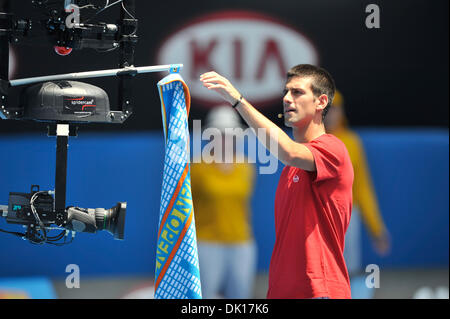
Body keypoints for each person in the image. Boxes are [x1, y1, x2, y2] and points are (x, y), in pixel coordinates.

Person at [200, 64, 354, 299]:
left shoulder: (334, 148)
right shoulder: (290, 169)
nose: (287, 99)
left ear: (321, 102)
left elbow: (288, 151)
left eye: (297, 92)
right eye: (286, 92)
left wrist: (237, 100)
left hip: (321, 291)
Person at [324, 90, 390, 298]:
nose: (331, 114)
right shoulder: (310, 142)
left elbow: (363, 188)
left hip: (346, 218)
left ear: (341, 111)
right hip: (318, 217)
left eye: (335, 108)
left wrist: (377, 228)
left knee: (345, 272)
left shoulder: (352, 143)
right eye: (326, 109)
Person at [190, 106, 257, 299]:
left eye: (230, 134)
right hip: (207, 243)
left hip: (242, 242)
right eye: (219, 134)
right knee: (205, 295)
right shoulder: (198, 167)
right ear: (210, 137)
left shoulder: (246, 166)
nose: (225, 139)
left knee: (241, 296)